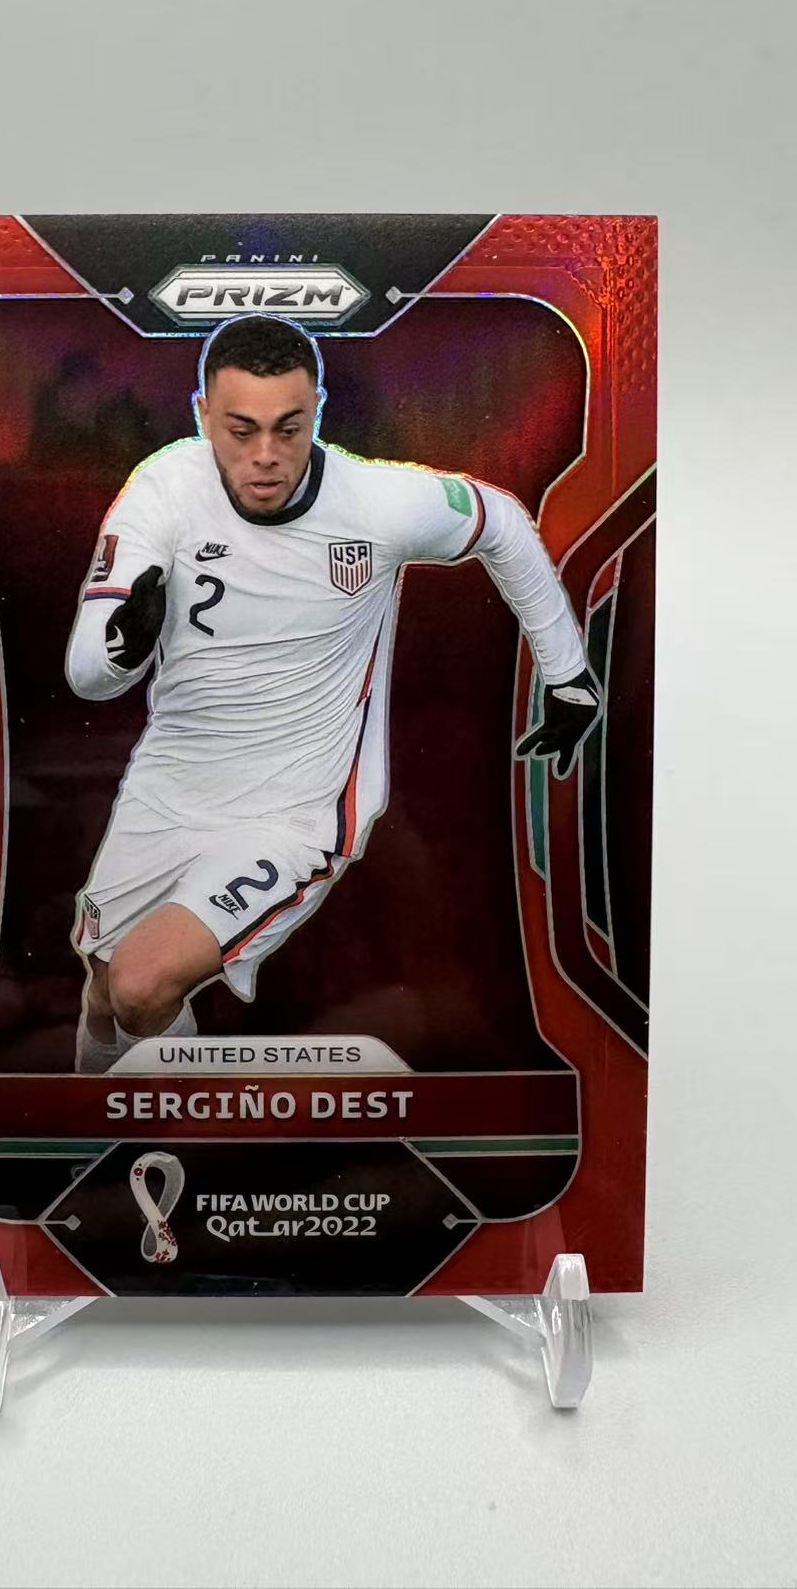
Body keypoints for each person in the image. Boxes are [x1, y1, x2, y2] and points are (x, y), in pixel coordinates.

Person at [64, 315, 599, 1071]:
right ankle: (97, 1133)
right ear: (202, 415)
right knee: (102, 990)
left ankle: (164, 1139)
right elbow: (88, 674)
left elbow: (502, 524)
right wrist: (123, 647)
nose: (265, 454)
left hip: (292, 810)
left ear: (318, 409)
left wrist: (569, 676)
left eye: (288, 428)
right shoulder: (164, 487)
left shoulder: (377, 504)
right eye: (240, 429)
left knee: (143, 984)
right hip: (167, 789)